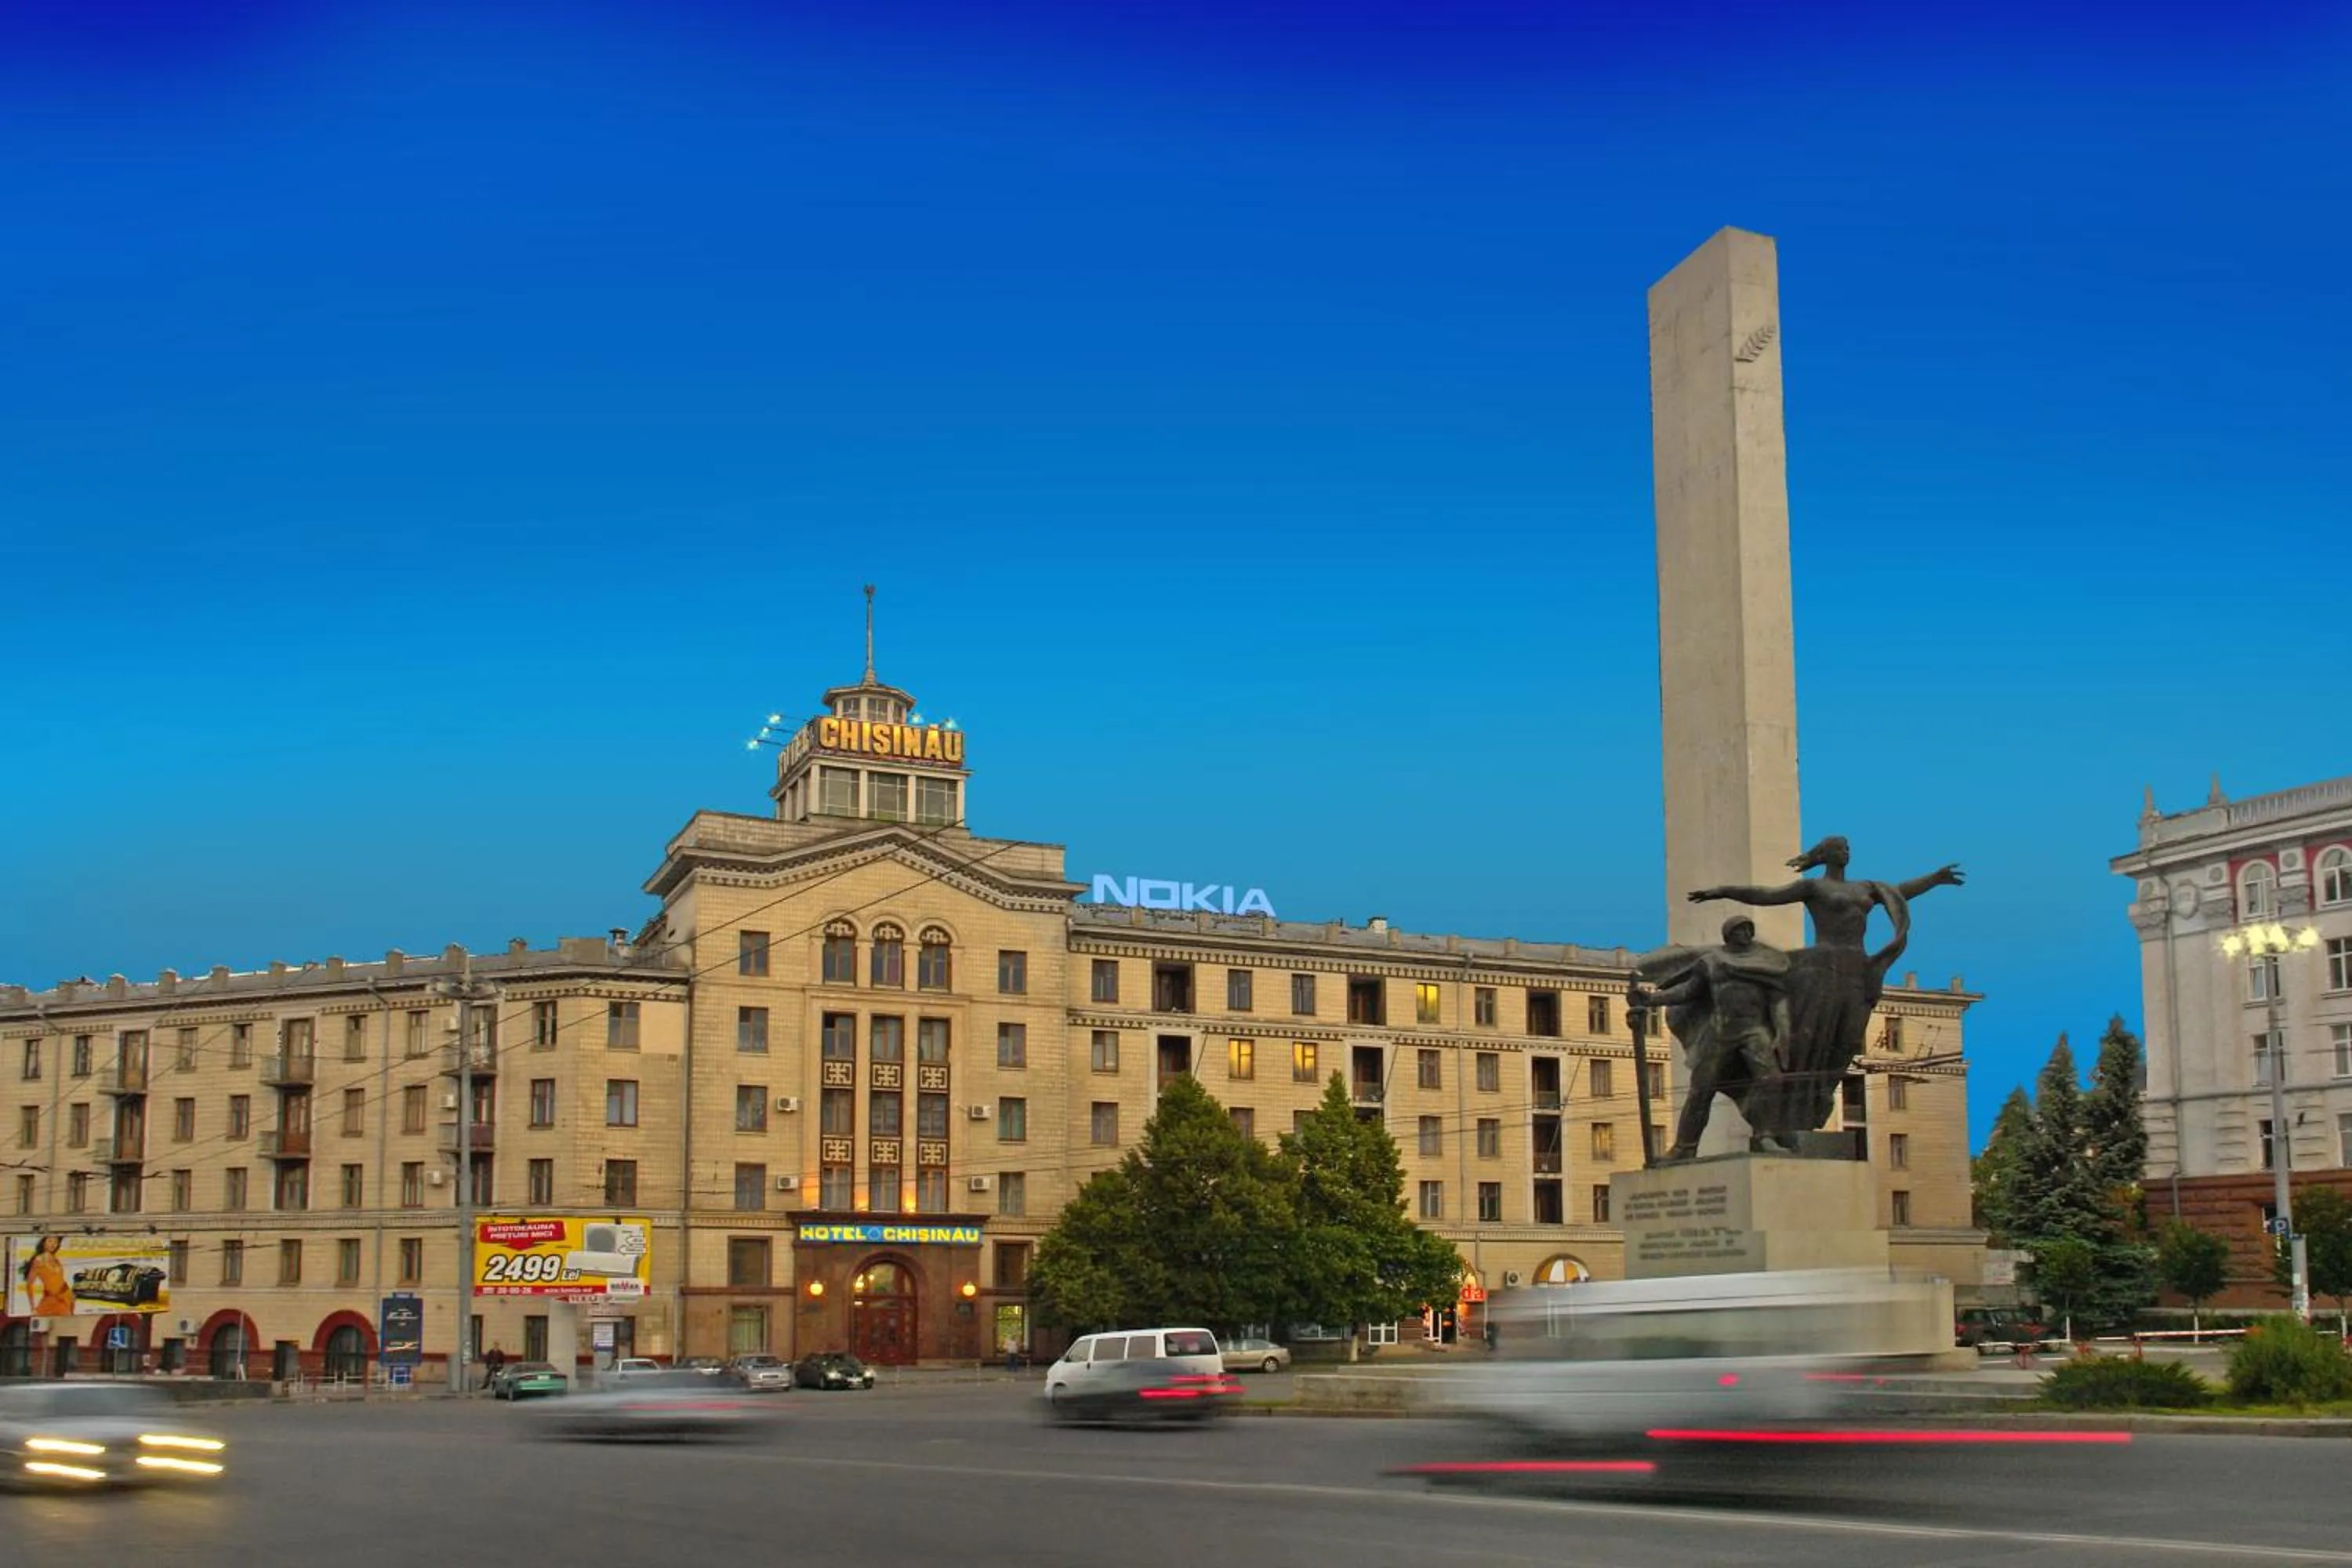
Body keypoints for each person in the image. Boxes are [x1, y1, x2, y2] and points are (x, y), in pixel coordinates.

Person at [1632, 916, 1793, 1160]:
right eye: (1739, 930)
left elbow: (1778, 1000)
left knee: (1772, 1080)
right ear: (1728, 935)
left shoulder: (1767, 962)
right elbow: (1688, 991)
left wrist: (1782, 1032)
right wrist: (1652, 999)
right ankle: (1684, 1147)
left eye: (1748, 930)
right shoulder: (1712, 962)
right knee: (1701, 1090)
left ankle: (1766, 1136)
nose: (1745, 934)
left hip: (1754, 1029)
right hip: (1720, 1032)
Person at [17, 1234, 73, 1317]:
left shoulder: (54, 1258)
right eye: (50, 1241)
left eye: (56, 1242)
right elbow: (29, 1284)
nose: (53, 1244)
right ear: (44, 1242)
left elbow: (59, 1279)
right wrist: (33, 1308)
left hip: (65, 1297)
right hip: (51, 1299)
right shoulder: (38, 1260)